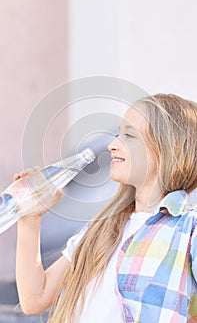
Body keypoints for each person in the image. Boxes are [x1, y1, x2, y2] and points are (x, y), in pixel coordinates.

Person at [15, 93, 197, 323]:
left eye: (129, 136)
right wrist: (30, 219)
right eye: (117, 135)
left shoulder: (188, 230)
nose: (112, 145)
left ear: (169, 148)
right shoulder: (101, 228)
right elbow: (34, 298)